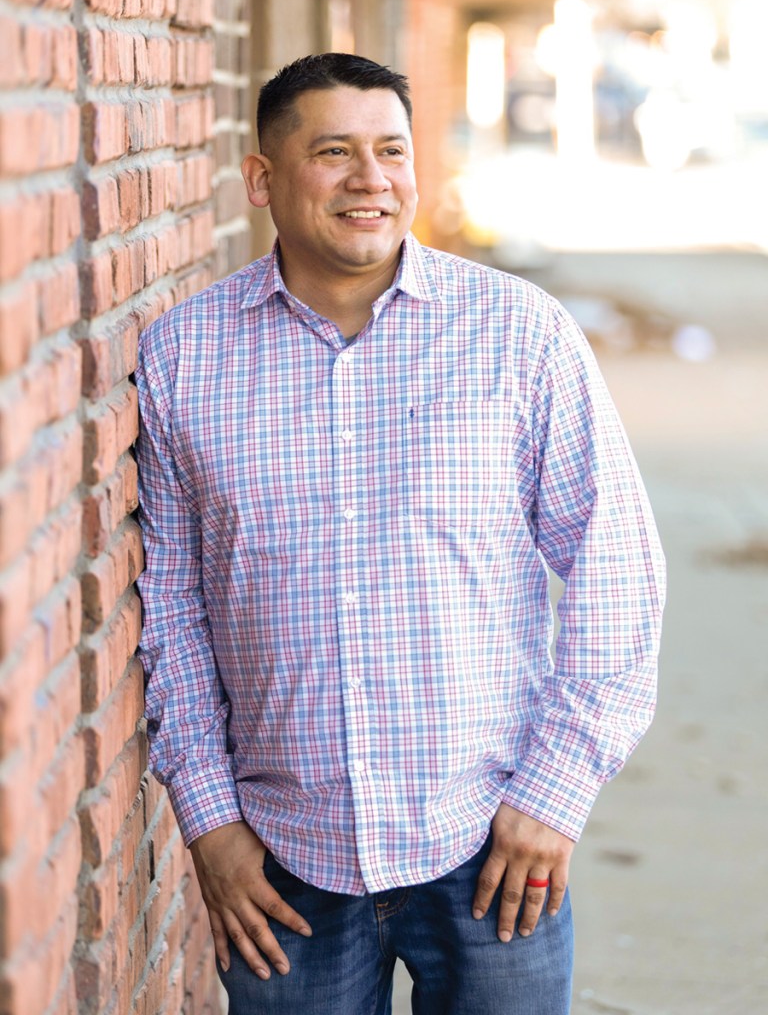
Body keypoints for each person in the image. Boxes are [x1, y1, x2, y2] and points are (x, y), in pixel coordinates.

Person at [135, 53, 665, 1015]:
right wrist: (208, 821)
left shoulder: (520, 335)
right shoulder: (182, 355)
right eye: (333, 151)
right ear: (261, 179)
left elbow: (615, 569)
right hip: (282, 861)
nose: (370, 178)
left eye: (390, 149)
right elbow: (168, 602)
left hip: (493, 846)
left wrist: (556, 793)